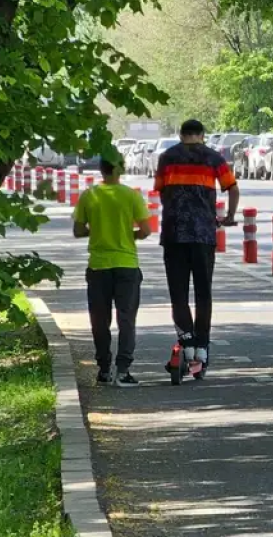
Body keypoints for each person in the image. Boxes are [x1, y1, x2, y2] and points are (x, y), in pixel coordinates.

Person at [155, 119, 239, 371]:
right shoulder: (213, 158)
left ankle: (186, 341)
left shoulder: (167, 158)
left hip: (174, 235)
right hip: (203, 235)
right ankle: (202, 346)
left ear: (180, 134)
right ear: (202, 135)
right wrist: (229, 217)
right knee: (203, 293)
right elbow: (232, 189)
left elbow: (160, 190)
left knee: (178, 294)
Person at [73, 158, 151, 387]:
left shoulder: (89, 195)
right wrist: (128, 236)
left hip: (98, 266)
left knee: (100, 319)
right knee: (126, 318)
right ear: (120, 169)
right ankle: (124, 370)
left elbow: (78, 230)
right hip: (126, 264)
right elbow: (146, 230)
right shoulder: (131, 195)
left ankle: (104, 369)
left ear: (101, 170)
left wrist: (99, 231)